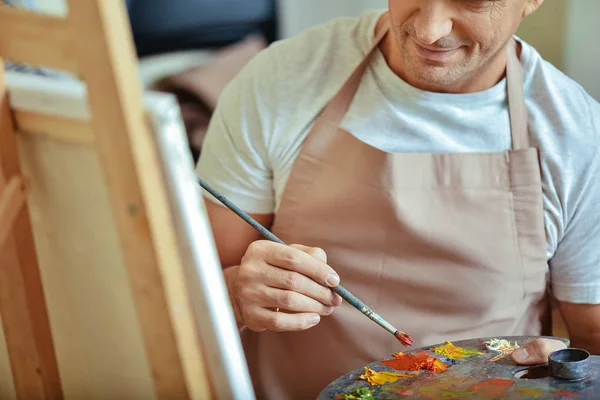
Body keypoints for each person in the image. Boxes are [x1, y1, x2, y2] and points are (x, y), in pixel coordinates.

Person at [196, 0, 600, 398]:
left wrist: (578, 375)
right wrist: (232, 292)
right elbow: (183, 300)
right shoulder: (280, 80)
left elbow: (592, 341)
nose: (430, 29)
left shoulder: (576, 134)